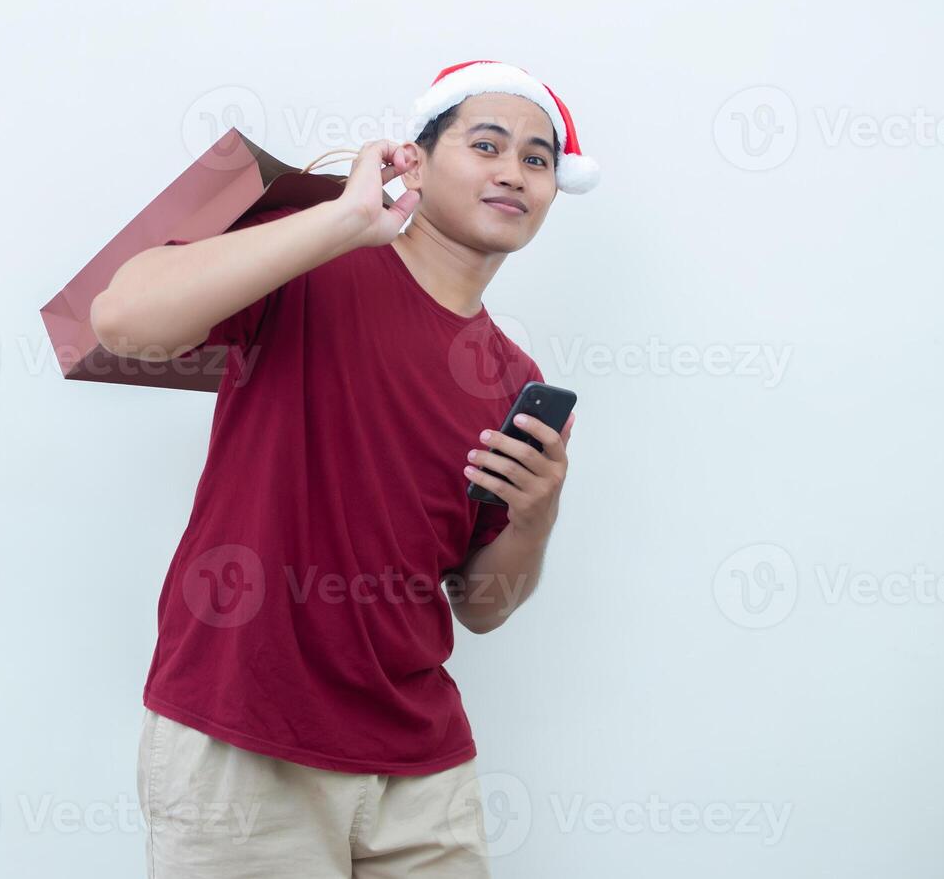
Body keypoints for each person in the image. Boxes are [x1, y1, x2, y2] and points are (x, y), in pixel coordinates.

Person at [91, 59, 600, 878]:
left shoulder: (512, 377)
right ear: (419, 161)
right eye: (488, 144)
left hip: (422, 769)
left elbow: (480, 607)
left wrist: (538, 512)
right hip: (245, 740)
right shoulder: (311, 268)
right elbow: (119, 319)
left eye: (538, 159)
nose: (514, 171)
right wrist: (338, 221)